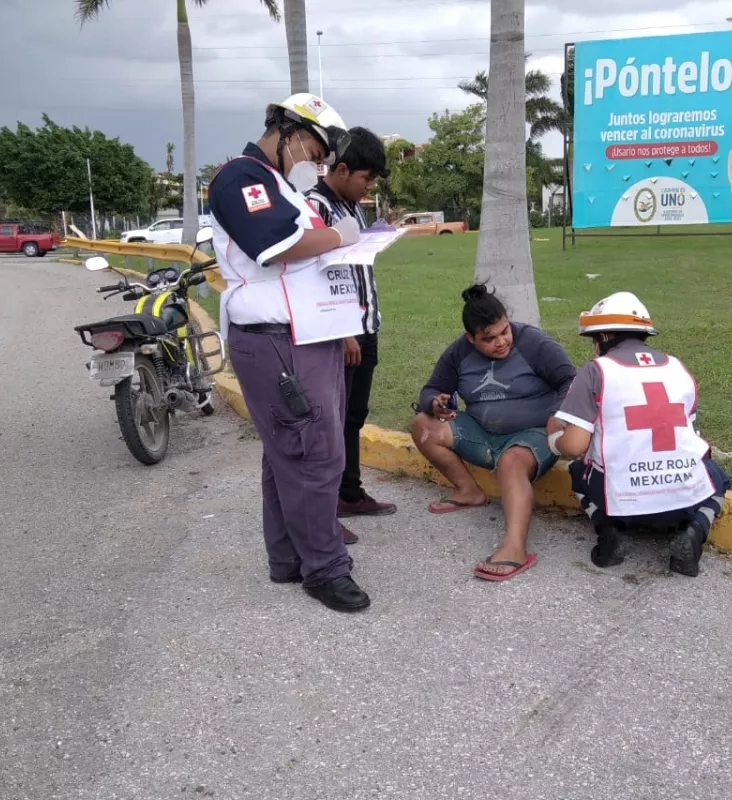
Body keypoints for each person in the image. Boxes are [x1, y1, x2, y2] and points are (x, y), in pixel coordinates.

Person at [208, 93, 372, 613]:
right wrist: (338, 235)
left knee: (289, 451)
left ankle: (287, 559)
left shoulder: (276, 183)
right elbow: (275, 244)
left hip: (305, 333)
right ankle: (324, 570)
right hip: (275, 338)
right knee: (314, 454)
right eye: (313, 149)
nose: (315, 163)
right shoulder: (241, 177)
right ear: (286, 130)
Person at [545, 292, 732, 577]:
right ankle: (694, 531)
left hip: (620, 503)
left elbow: (574, 445)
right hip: (682, 500)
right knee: (717, 478)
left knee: (578, 471)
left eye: (595, 340)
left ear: (604, 337)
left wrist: (552, 438)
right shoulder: (678, 368)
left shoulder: (597, 372)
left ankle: (609, 531)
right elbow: (689, 433)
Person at [412, 284, 576, 582]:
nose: (501, 342)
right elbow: (432, 389)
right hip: (483, 435)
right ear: (470, 338)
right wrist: (434, 403)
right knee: (423, 425)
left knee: (511, 462)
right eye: (489, 339)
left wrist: (557, 416)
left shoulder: (534, 343)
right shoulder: (458, 353)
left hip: (532, 435)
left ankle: (515, 549)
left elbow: (570, 380)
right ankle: (468, 491)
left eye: (504, 331)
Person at [302, 128, 397, 524]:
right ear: (341, 169)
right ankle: (325, 512)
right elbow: (314, 274)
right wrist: (343, 332)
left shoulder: (351, 207)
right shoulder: (314, 207)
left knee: (353, 416)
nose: (369, 187)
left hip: (365, 326)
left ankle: (349, 491)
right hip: (339, 333)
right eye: (366, 178)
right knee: (330, 421)